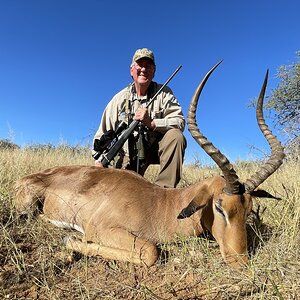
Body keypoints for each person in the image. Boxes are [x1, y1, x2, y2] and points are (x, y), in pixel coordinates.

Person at [93, 48, 186, 188]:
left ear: (154, 71)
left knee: (176, 136)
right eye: (139, 65)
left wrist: (152, 123)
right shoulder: (119, 99)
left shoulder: (164, 93)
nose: (143, 69)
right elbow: (101, 134)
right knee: (123, 192)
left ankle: (164, 191)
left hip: (157, 148)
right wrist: (98, 161)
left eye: (148, 66)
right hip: (130, 153)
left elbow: (179, 122)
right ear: (131, 70)